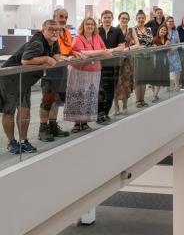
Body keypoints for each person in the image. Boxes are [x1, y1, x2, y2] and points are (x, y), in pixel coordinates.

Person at [1, 19, 62, 154]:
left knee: (24, 111)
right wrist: (46, 59)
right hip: (10, 79)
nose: (54, 32)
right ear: (43, 30)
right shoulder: (37, 43)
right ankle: (11, 143)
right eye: (51, 29)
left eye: (57, 29)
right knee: (9, 111)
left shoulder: (53, 41)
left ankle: (24, 141)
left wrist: (58, 57)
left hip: (25, 79)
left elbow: (56, 54)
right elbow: (25, 60)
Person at [64, 17, 112, 133]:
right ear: (83, 26)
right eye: (87, 24)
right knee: (78, 95)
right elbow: (80, 53)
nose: (90, 26)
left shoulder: (97, 37)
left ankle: (85, 122)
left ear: (95, 26)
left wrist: (95, 53)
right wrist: (99, 52)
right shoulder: (78, 38)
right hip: (78, 72)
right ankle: (76, 123)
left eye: (92, 24)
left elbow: (105, 51)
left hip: (94, 71)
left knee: (89, 96)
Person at [39, 9, 76, 142]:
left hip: (62, 70)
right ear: (54, 16)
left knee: (57, 101)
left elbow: (68, 50)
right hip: (50, 71)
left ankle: (53, 125)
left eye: (66, 17)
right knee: (47, 101)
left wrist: (76, 53)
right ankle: (43, 128)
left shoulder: (66, 32)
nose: (63, 19)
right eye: (61, 16)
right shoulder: (48, 33)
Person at [97, 10, 125, 124]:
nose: (107, 19)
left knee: (111, 90)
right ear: (101, 19)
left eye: (109, 17)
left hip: (114, 65)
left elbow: (122, 46)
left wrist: (111, 50)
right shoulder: (97, 31)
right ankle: (99, 114)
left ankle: (106, 113)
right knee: (101, 90)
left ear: (112, 19)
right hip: (99, 65)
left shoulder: (117, 31)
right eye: (105, 17)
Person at [115, 12, 139, 115]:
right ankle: (116, 107)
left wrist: (127, 49)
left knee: (126, 83)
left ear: (128, 20)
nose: (124, 20)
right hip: (116, 60)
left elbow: (137, 44)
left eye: (126, 18)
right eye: (122, 18)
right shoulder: (114, 30)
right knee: (116, 83)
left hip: (128, 61)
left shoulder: (131, 30)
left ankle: (124, 106)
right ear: (119, 19)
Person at [133, 10, 154, 107]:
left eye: (142, 18)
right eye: (139, 18)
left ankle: (143, 100)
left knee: (144, 79)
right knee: (138, 79)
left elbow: (151, 42)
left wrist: (153, 46)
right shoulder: (133, 29)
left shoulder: (149, 29)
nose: (141, 20)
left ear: (145, 19)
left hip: (148, 57)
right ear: (136, 19)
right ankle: (138, 100)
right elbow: (132, 44)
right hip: (137, 57)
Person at [148, 24, 170, 102]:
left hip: (164, 61)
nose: (163, 31)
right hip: (155, 60)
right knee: (153, 79)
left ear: (166, 31)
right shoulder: (154, 39)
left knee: (159, 79)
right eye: (162, 30)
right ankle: (155, 94)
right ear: (159, 30)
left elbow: (168, 52)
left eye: (165, 30)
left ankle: (155, 95)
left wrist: (167, 46)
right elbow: (153, 51)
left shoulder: (168, 40)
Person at [165, 16, 182, 89]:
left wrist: (174, 50)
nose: (171, 22)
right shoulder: (164, 30)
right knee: (167, 70)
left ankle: (177, 85)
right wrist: (167, 51)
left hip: (175, 53)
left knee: (177, 69)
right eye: (169, 21)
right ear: (166, 22)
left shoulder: (175, 31)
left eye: (172, 21)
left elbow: (178, 42)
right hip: (166, 53)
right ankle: (168, 85)